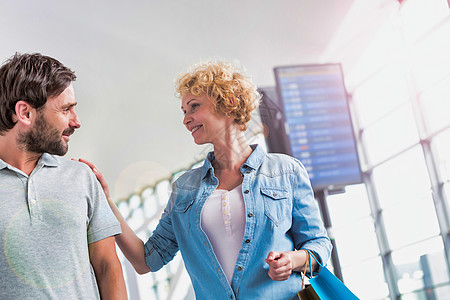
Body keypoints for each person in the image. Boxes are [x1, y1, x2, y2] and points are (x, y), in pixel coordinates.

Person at [83, 61, 332, 299]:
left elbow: (318, 245)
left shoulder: (286, 172)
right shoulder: (185, 188)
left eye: (194, 106)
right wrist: (105, 201)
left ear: (229, 104)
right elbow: (145, 260)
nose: (185, 118)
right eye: (184, 111)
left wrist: (293, 260)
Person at [0, 53, 127, 299]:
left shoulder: (82, 178)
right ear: (25, 113)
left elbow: (107, 267)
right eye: (66, 109)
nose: (76, 121)